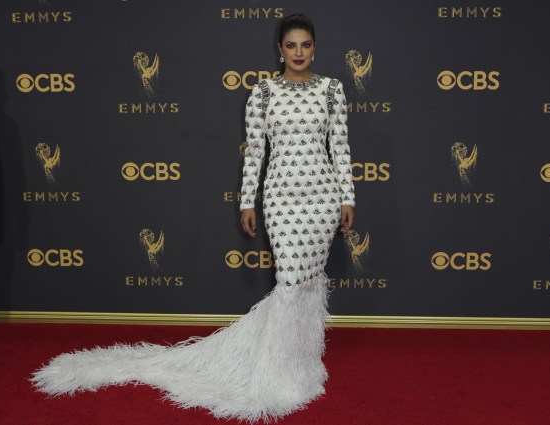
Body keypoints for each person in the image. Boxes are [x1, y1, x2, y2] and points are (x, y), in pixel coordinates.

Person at [30, 13, 356, 423]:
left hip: (322, 198)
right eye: (290, 45)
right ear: (279, 49)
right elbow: (254, 152)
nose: (298, 53)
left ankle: (304, 364)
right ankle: (276, 372)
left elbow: (340, 146)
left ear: (315, 47)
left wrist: (347, 196)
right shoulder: (263, 94)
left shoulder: (331, 90)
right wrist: (246, 202)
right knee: (289, 281)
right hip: (281, 200)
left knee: (309, 283)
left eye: (305, 45)